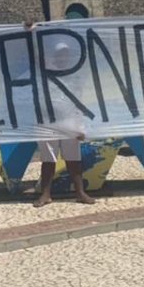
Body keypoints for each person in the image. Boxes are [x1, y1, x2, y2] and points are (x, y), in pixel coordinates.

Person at [24, 23, 97, 207]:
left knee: (73, 159)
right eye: (59, 54)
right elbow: (34, 56)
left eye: (65, 54)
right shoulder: (45, 69)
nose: (62, 57)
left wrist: (80, 127)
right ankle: (46, 194)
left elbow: (78, 100)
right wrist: (31, 33)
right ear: (54, 55)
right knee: (48, 160)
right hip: (47, 121)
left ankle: (80, 192)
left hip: (69, 120)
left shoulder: (75, 74)